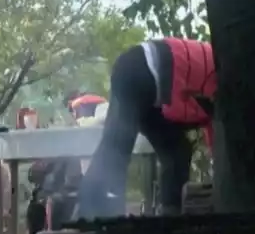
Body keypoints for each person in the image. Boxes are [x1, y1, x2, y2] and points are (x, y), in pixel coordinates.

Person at [73, 37, 215, 220]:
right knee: (117, 148)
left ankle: (170, 216)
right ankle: (92, 215)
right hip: (140, 68)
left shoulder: (221, 84)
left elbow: (216, 140)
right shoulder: (220, 74)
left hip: (153, 90)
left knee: (178, 151)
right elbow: (176, 106)